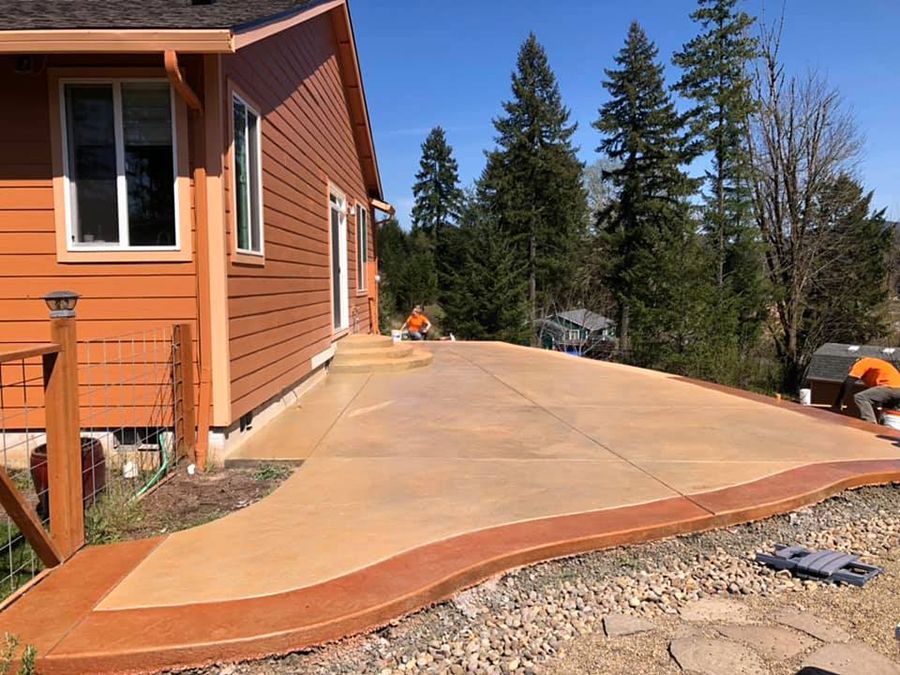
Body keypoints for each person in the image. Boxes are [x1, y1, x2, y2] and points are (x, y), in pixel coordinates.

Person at [832, 356, 900, 424]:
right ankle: (883, 427)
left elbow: (848, 382)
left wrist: (839, 402)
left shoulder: (862, 362)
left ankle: (870, 423)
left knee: (861, 397)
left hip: (891, 387)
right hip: (896, 390)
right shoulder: (876, 365)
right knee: (886, 411)